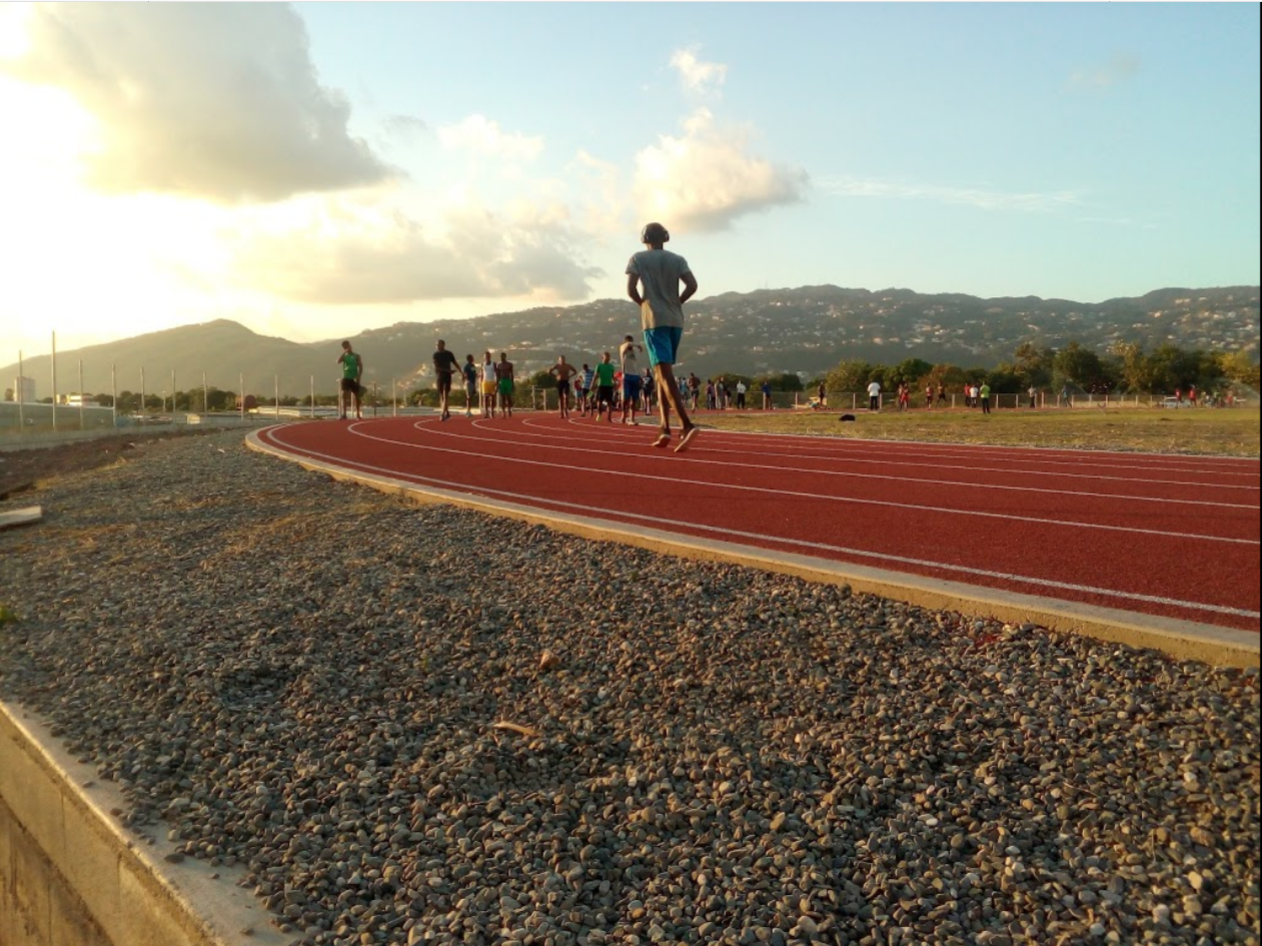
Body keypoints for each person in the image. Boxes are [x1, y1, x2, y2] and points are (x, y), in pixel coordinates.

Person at [627, 222, 699, 452]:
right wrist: (677, 302)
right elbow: (692, 285)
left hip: (655, 322)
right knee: (660, 375)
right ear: (665, 238)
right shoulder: (677, 259)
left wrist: (645, 305)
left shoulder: (638, 258)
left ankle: (686, 425)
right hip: (675, 320)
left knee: (664, 375)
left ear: (644, 238)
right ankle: (664, 427)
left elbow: (631, 289)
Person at [619, 336, 644, 425]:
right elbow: (627, 344)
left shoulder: (635, 351)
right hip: (626, 375)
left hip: (635, 376)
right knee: (625, 398)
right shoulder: (623, 349)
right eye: (630, 342)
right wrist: (637, 345)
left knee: (634, 399)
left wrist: (640, 376)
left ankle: (632, 418)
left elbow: (638, 364)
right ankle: (623, 415)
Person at [432, 340, 459, 421]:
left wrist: (461, 372)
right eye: (436, 344)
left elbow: (455, 363)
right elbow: (437, 367)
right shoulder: (435, 355)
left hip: (447, 377)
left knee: (445, 395)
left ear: (443, 345)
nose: (437, 346)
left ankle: (443, 414)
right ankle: (446, 412)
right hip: (440, 376)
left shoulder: (449, 354)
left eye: (438, 344)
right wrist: (448, 371)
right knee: (441, 396)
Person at [336, 340, 363, 420]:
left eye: (348, 346)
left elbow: (360, 367)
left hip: (354, 377)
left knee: (357, 396)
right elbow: (338, 361)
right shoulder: (344, 356)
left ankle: (358, 414)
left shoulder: (356, 356)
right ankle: (344, 414)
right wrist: (344, 352)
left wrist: (358, 376)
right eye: (345, 347)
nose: (348, 347)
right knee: (344, 395)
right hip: (346, 377)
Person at [592, 351, 616, 422]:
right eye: (607, 356)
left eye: (609, 357)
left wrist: (615, 382)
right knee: (599, 402)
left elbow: (612, 376)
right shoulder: (599, 366)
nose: (608, 358)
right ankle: (599, 414)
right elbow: (595, 376)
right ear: (602, 357)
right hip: (601, 385)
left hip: (609, 386)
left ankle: (609, 417)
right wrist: (592, 384)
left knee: (610, 402)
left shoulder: (611, 366)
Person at [495, 352, 515, 417]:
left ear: (505, 356)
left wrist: (512, 384)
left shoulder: (509, 364)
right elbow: (497, 375)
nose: (502, 357)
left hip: (508, 381)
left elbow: (512, 374)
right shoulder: (498, 365)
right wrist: (497, 384)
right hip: (502, 381)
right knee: (502, 397)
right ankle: (503, 412)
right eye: (501, 356)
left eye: (503, 356)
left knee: (508, 397)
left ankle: (509, 410)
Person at [481, 351, 498, 419]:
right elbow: (482, 373)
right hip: (485, 382)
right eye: (485, 356)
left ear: (490, 356)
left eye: (488, 356)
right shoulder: (483, 364)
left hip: (492, 382)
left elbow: (496, 373)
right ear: (484, 357)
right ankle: (486, 413)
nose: (487, 357)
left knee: (492, 398)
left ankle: (492, 412)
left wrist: (496, 382)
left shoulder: (493, 364)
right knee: (485, 398)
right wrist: (481, 380)